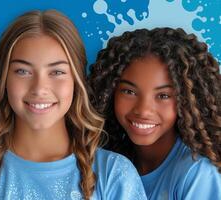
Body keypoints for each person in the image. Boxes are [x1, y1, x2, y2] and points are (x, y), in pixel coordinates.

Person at [0, 10, 147, 200]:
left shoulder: (114, 174)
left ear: (76, 81)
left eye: (57, 72)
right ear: (5, 80)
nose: (39, 88)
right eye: (23, 71)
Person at [88, 27, 221, 199]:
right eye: (129, 91)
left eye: (163, 96)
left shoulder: (197, 174)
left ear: (187, 101)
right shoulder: (108, 164)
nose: (143, 110)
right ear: (109, 93)